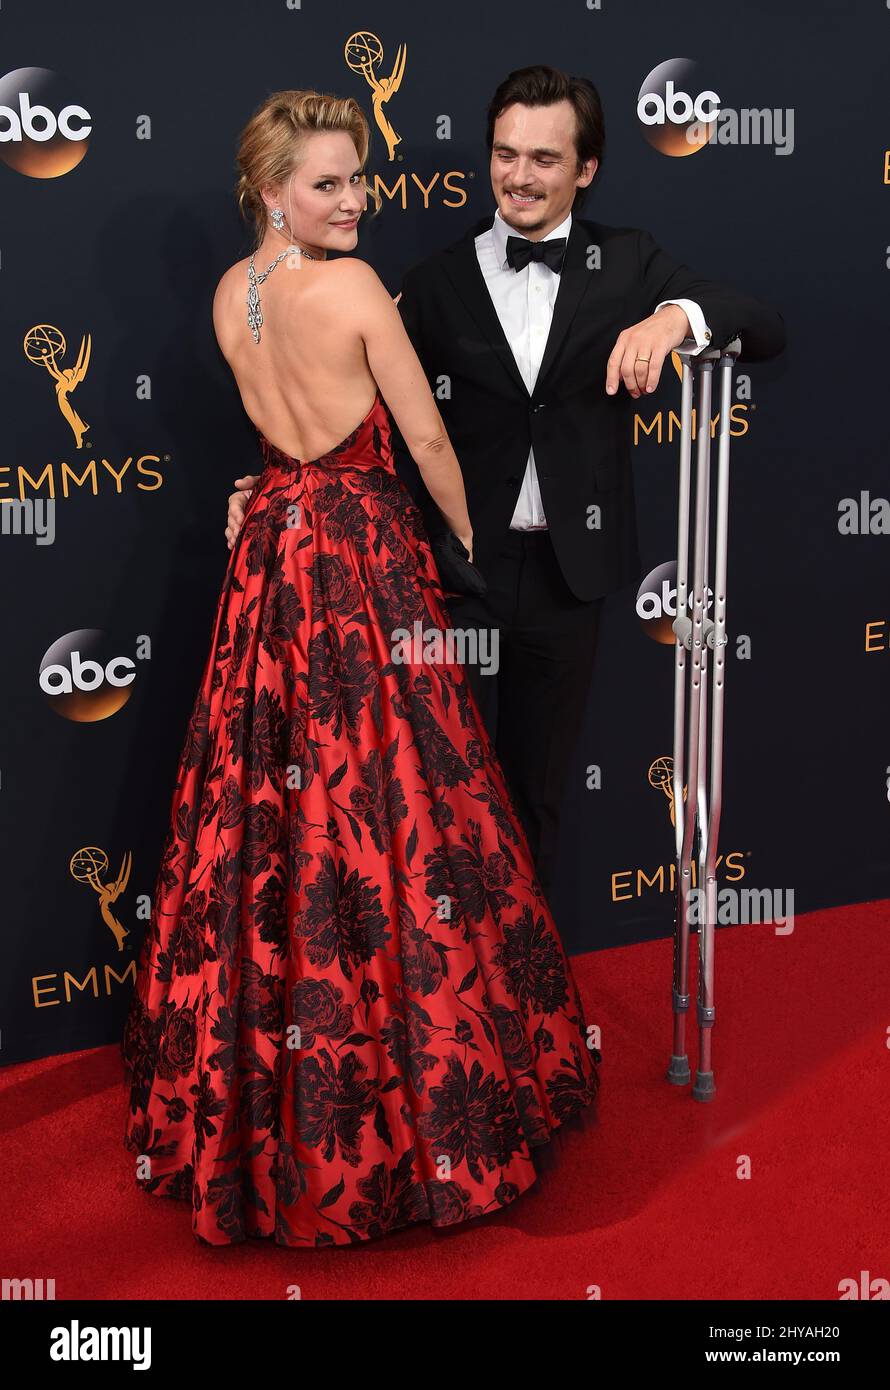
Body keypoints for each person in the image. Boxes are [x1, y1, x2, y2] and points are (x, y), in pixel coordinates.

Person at [121, 89, 600, 1250]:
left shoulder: (231, 298)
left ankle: (255, 1105)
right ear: (270, 190)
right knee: (394, 800)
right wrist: (471, 549)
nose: (353, 200)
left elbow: (273, 433)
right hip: (358, 559)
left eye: (358, 179)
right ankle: (422, 1107)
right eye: (326, 183)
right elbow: (424, 437)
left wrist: (267, 491)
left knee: (264, 809)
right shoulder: (351, 287)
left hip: (271, 557)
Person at [227, 65, 786, 899]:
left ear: (586, 168)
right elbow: (339, 401)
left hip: (571, 578)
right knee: (438, 800)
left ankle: (530, 995)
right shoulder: (434, 279)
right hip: (456, 579)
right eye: (504, 154)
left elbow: (763, 326)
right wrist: (272, 483)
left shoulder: (629, 263)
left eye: (545, 159)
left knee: (536, 796)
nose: (520, 176)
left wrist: (673, 319)